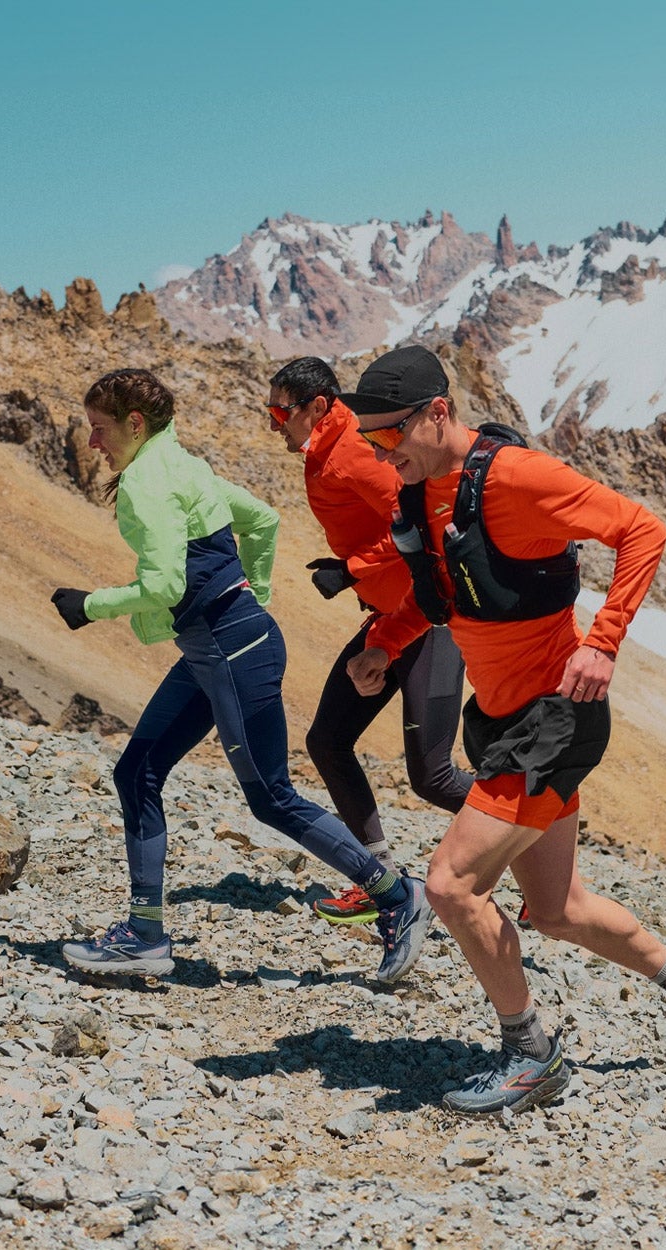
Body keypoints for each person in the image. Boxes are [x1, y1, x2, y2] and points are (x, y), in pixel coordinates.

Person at [342, 346, 666, 1114]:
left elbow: (642, 529)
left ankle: (532, 1054)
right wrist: (384, 647)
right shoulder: (423, 491)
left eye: (389, 436)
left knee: (450, 886)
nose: (381, 454)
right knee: (556, 908)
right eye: (369, 442)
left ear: (437, 413)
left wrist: (602, 641)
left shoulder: (516, 479)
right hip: (497, 720)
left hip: (555, 721)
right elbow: (447, 592)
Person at [49, 368, 433, 985]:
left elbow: (165, 586)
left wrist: (88, 605)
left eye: (99, 429)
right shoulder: (182, 464)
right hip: (221, 648)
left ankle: (395, 895)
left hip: (229, 652)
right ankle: (144, 935)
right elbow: (262, 520)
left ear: (134, 425)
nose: (92, 442)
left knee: (272, 798)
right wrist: (253, 592)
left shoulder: (148, 480)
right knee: (137, 771)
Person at [263, 356, 474, 926]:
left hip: (427, 621)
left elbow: (415, 525)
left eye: (283, 411)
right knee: (328, 742)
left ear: (319, 407)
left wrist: (352, 567)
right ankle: (378, 880)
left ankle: (536, 830)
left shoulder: (355, 449)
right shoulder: (324, 452)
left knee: (432, 778)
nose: (275, 423)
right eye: (271, 411)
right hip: (386, 619)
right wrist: (355, 573)